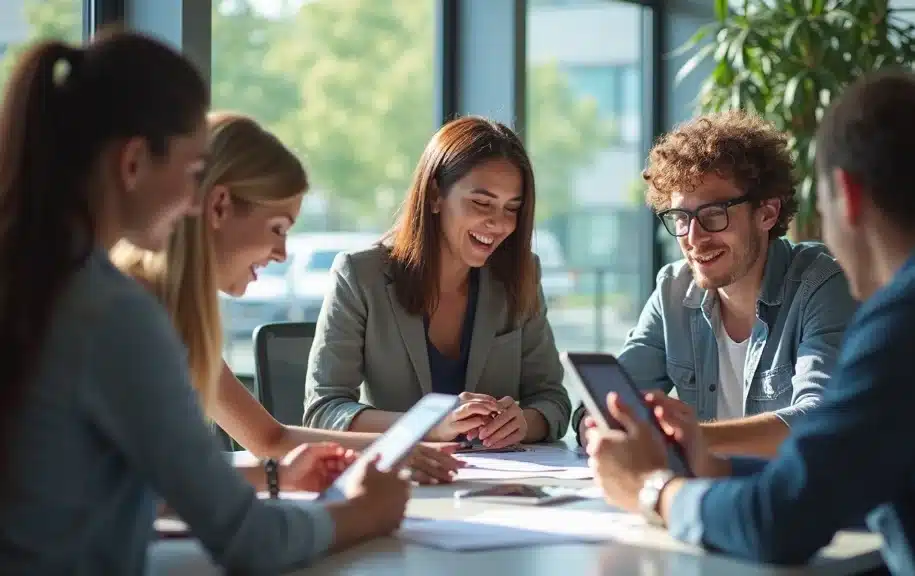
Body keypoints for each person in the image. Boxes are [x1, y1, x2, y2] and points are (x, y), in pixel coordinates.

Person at [0, 31, 409, 575]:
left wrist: (273, 479)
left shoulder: (41, 282)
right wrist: (363, 512)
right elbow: (248, 542)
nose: (195, 202)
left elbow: (101, 490)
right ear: (135, 162)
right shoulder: (112, 314)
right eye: (194, 173)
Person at [585, 70, 915, 574]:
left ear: (847, 195)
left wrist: (653, 489)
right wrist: (718, 467)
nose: (692, 236)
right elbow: (852, 479)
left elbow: (779, 523)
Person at [110, 112, 462, 484]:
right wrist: (351, 509)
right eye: (277, 228)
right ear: (219, 207)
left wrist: (390, 450)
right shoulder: (135, 313)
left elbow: (266, 439)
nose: (281, 253)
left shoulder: (171, 311)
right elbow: (149, 487)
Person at [573, 110, 857, 457]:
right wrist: (596, 425)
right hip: (707, 489)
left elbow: (821, 421)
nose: (693, 238)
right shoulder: (673, 290)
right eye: (681, 218)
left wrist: (691, 439)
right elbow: (608, 403)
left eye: (713, 216)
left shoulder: (822, 284)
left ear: (767, 213)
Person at [304, 116, 571, 449]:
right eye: (481, 203)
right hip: (403, 481)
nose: (499, 223)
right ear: (434, 195)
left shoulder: (521, 276)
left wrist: (524, 422)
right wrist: (428, 424)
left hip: (499, 483)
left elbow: (553, 401)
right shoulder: (360, 275)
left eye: (511, 208)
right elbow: (325, 410)